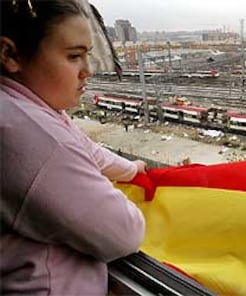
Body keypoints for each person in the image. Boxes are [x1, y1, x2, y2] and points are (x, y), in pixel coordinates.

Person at [0, 0, 146, 294]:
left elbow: (87, 148)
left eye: (87, 56)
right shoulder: (34, 138)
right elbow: (124, 232)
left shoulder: (24, 109)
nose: (87, 71)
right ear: (9, 54)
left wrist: (133, 170)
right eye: (74, 56)